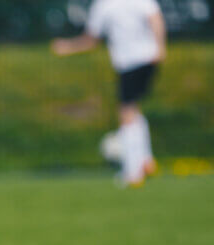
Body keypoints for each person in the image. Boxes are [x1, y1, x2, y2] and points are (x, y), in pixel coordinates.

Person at [52, 0, 166, 188]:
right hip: (150, 58)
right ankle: (146, 161)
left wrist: (67, 47)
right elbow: (156, 19)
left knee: (126, 112)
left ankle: (133, 173)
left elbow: (90, 40)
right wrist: (160, 47)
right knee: (132, 109)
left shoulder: (103, 5)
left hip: (130, 62)